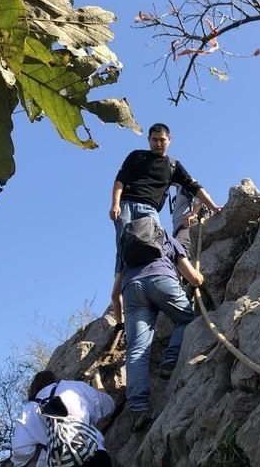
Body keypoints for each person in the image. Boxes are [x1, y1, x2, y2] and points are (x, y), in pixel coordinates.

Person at [111, 220, 204, 432]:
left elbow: (114, 295)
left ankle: (138, 410)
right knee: (187, 319)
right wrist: (200, 279)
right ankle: (170, 360)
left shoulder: (124, 250)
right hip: (162, 279)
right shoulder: (166, 238)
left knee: (136, 351)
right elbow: (193, 278)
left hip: (132, 290)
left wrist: (119, 324)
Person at [109, 123, 221, 271]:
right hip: (127, 204)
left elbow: (194, 187)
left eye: (162, 140)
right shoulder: (136, 156)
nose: (158, 143)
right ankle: (121, 288)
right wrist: (115, 204)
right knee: (124, 245)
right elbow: (120, 180)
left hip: (150, 210)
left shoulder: (173, 166)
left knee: (153, 245)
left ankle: (152, 278)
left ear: (169, 140)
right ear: (149, 140)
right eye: (154, 140)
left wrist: (213, 207)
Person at [11, 370, 114, 467]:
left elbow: (20, 449)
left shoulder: (28, 410)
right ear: (55, 380)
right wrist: (97, 380)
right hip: (95, 454)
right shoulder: (73, 387)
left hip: (64, 462)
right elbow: (108, 405)